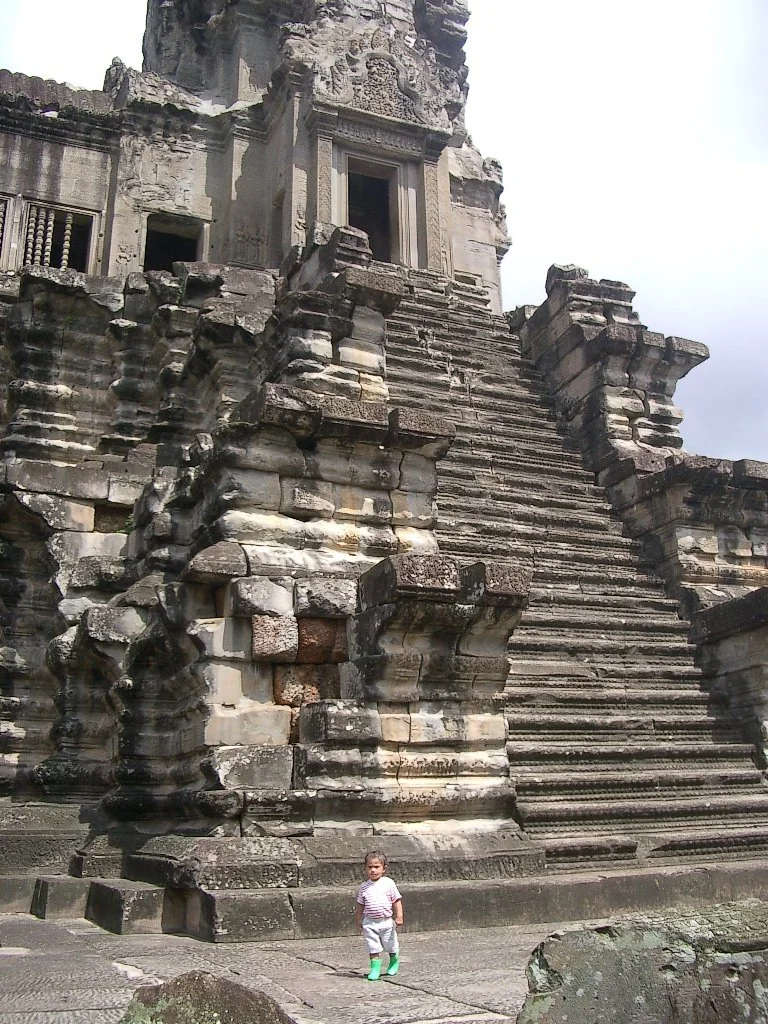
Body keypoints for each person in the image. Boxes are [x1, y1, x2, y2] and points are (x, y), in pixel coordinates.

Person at [354, 850, 403, 981]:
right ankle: (375, 969)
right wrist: (358, 919)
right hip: (370, 922)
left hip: (386, 921)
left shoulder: (388, 883)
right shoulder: (364, 887)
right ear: (365, 869)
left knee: (390, 945)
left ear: (383, 869)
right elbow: (360, 905)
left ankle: (394, 960)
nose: (373, 870)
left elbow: (396, 900)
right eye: (370, 867)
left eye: (376, 867)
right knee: (373, 946)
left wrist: (399, 916)